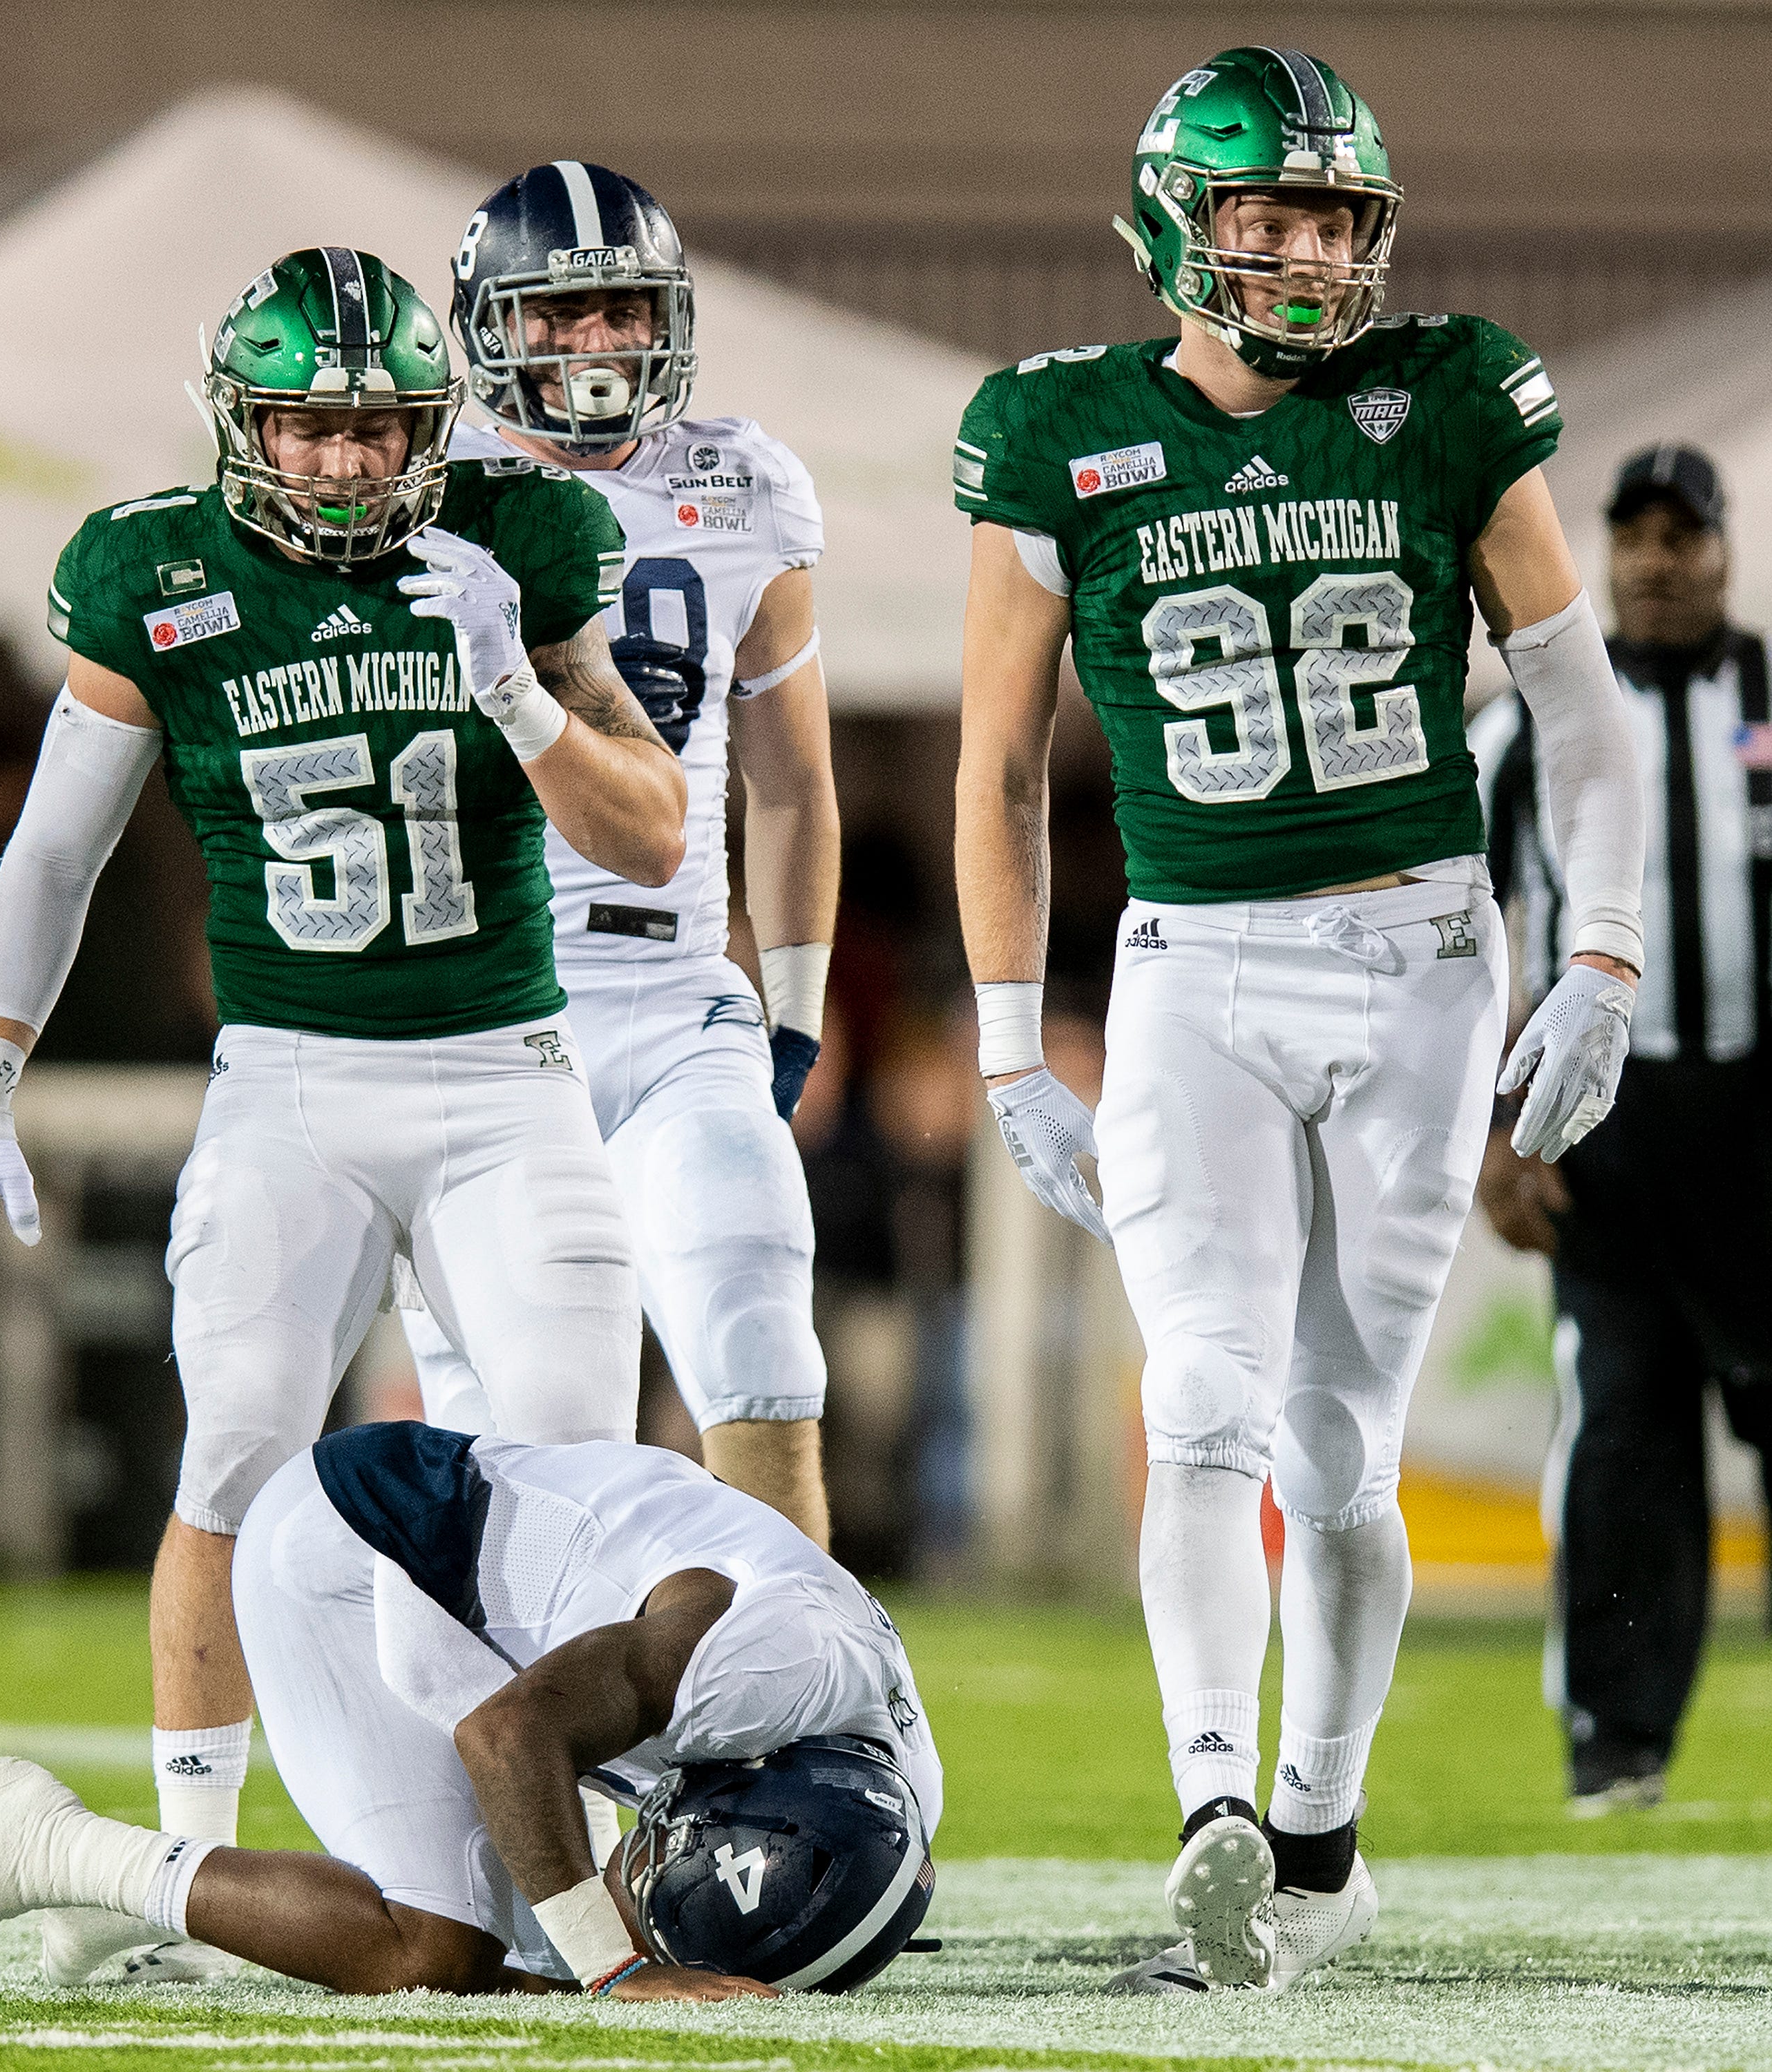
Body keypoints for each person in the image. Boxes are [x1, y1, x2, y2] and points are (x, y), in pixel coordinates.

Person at [951, 47, 1645, 1991]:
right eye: (1270, 214)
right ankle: (1213, 1817)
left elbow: (1577, 708)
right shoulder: (1053, 427)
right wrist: (1010, 1037)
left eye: (1338, 216)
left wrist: (1598, 950)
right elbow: (1000, 770)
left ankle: (1324, 1839)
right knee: (1202, 1400)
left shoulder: (1441, 392)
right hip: (1191, 966)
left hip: (1419, 958)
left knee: (1340, 1450)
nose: (1313, 253)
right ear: (1179, 220)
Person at [0, 248, 686, 1979]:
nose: (344, 462)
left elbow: (650, 836)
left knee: (571, 1482)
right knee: (238, 1458)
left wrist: (520, 686)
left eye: (377, 428)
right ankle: (190, 1873)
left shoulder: (517, 545)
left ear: (430, 424)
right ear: (242, 422)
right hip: (292, 1082)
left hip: (509, 1078)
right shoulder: (156, 571)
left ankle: (611, 1865)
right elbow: (54, 852)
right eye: (310, 427)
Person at [393, 162, 840, 1546]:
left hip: (672, 997)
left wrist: (799, 1015)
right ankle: (537, 1749)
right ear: (487, 329)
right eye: (561, 313)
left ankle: (805, 1734)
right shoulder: (410, 490)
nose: (598, 345)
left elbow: (794, 783)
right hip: (479, 1017)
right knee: (515, 1443)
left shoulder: (742, 481)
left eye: (622, 309)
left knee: (760, 1329)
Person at [0, 1423, 940, 2002]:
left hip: (490, 1621)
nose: (650, 1865)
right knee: (437, 1952)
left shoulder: (889, 1796)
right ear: (741, 1772)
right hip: (367, 1553)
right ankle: (41, 1845)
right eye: (676, 1853)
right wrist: (623, 1969)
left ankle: (151, 1898)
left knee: (533, 1943)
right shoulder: (743, 1666)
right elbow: (510, 1735)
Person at [1475, 443, 1772, 1812]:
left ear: (1721, 550)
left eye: (1683, 535)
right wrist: (1491, 1134)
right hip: (1612, 1116)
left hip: (1764, 1112)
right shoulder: (1530, 721)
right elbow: (1454, 936)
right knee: (1623, 1438)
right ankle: (1618, 1741)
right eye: (1636, 534)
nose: (1659, 558)